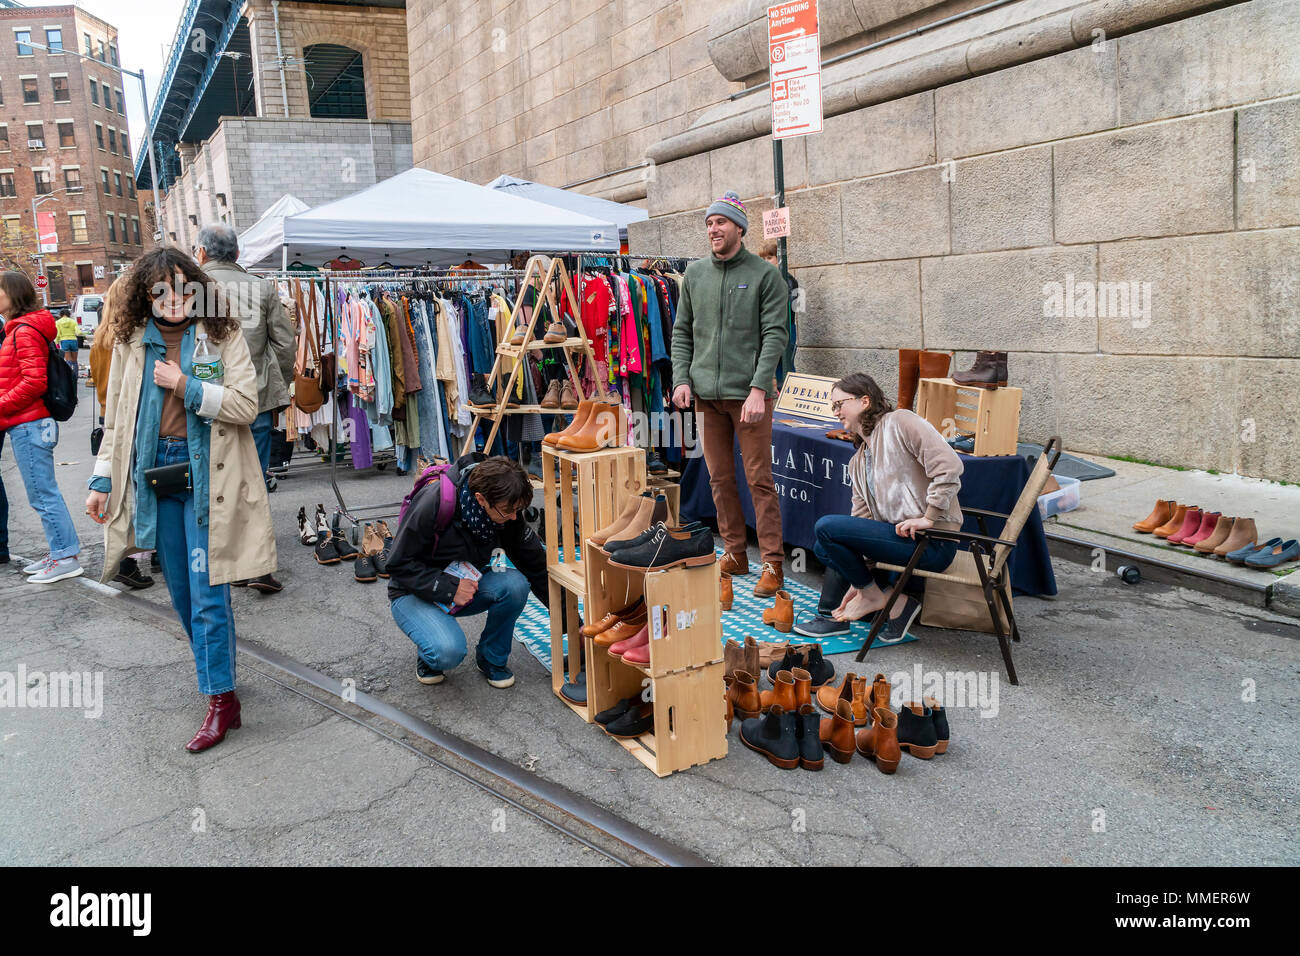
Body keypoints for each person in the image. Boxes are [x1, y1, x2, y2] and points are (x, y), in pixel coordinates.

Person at [86, 247, 276, 753]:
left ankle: (218, 700)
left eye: (182, 288)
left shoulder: (220, 334)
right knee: (182, 595)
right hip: (157, 476)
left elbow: (245, 405)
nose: (173, 300)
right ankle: (224, 685)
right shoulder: (131, 341)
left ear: (199, 287)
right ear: (145, 296)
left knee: (209, 593)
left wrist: (186, 385)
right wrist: (102, 478)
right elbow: (120, 416)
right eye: (160, 291)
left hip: (208, 475)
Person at [671, 190, 789, 597]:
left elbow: (775, 333)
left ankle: (773, 564)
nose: (713, 229)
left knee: (759, 479)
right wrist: (681, 379)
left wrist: (760, 387)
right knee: (719, 478)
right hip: (706, 394)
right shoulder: (695, 276)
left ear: (738, 227)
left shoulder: (764, 275)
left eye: (720, 222)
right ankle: (735, 553)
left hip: (749, 395)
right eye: (708, 223)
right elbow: (682, 331)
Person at [805, 372, 965, 642]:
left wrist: (929, 517)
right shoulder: (858, 460)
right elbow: (861, 520)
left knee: (826, 527)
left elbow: (950, 467)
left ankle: (875, 597)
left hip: (933, 542)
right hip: (901, 540)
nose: (835, 413)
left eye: (839, 404)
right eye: (833, 407)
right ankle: (893, 601)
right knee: (824, 544)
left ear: (864, 401)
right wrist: (859, 579)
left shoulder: (901, 422)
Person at [387, 453, 549, 689]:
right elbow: (396, 564)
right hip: (412, 591)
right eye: (508, 511)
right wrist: (448, 588)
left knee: (515, 585)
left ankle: (490, 658)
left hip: (462, 584)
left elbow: (536, 566)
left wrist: (572, 624)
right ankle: (429, 651)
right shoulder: (434, 503)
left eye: (518, 510)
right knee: (447, 652)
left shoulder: (506, 507)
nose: (514, 517)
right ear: (481, 499)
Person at [193, 224, 295, 594]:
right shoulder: (262, 287)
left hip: (203, 399)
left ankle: (215, 555)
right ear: (237, 255)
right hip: (254, 397)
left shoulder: (191, 286)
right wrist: (274, 385)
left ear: (202, 253)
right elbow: (284, 344)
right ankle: (254, 561)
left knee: (208, 476)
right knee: (253, 477)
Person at [0, 271, 84, 583]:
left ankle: (65, 557)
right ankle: (60, 551)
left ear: (13, 295)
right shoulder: (23, 329)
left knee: (42, 494)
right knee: (43, 492)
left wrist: (2, 404)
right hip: (29, 423)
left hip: (29, 423)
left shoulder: (23, 331)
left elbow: (34, 382)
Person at [89, 275, 155, 590]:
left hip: (110, 412)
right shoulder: (126, 339)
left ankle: (131, 557)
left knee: (124, 489)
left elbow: (101, 387)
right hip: (128, 414)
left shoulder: (102, 337)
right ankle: (144, 555)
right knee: (138, 486)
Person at [759, 239, 799, 385]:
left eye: (769, 258)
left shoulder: (789, 280)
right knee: (776, 367)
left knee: (786, 368)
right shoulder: (767, 279)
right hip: (771, 328)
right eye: (763, 259)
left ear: (778, 259)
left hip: (787, 328)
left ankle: (790, 398)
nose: (765, 261)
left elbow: (797, 306)